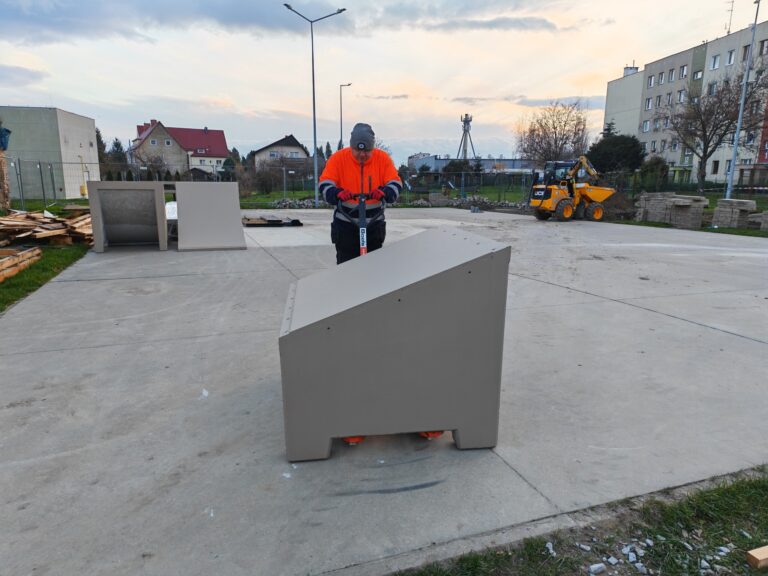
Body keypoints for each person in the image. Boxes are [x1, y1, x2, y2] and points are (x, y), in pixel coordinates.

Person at [319, 123, 402, 265]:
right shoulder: (338, 159)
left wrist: (385, 192)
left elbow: (395, 183)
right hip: (346, 225)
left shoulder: (382, 159)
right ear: (351, 146)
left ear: (372, 148)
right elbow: (325, 184)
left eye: (367, 150)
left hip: (373, 225)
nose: (362, 154)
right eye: (358, 150)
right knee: (346, 269)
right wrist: (336, 193)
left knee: (373, 268)